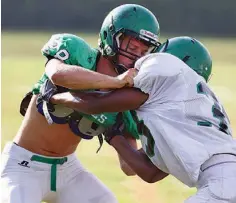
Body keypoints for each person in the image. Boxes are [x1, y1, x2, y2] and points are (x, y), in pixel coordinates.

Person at [1, 4, 161, 203]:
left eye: (143, 51)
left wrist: (166, 139)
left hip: (68, 170)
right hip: (23, 164)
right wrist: (115, 82)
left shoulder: (125, 97)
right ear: (111, 38)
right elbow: (57, 74)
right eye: (132, 47)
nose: (136, 57)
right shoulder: (77, 51)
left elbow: (129, 167)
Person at [49, 36, 236, 203]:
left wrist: (54, 97)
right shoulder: (189, 113)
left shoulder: (165, 72)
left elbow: (94, 105)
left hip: (220, 184)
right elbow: (150, 172)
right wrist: (114, 135)